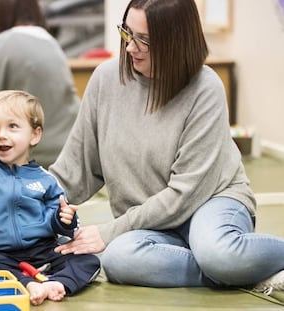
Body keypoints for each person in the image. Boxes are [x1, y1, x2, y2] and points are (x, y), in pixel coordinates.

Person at [50, 0, 284, 298]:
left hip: (208, 201)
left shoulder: (206, 88)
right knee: (118, 258)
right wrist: (30, 202)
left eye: (143, 40)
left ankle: (227, 265)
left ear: (177, 41)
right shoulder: (105, 80)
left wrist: (108, 231)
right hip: (153, 223)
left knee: (218, 254)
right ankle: (238, 273)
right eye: (126, 33)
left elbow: (183, 194)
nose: (130, 47)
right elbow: (75, 169)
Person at [0, 90, 100, 305]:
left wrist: (65, 220)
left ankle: (57, 283)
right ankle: (28, 283)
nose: (2, 135)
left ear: (35, 134)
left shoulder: (46, 179)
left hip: (43, 251)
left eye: (12, 126)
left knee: (88, 261)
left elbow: (61, 217)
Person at [0, 0, 80, 168]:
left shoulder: (1, 44)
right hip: (66, 152)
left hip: (25, 155)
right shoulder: (51, 43)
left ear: (1, 15)